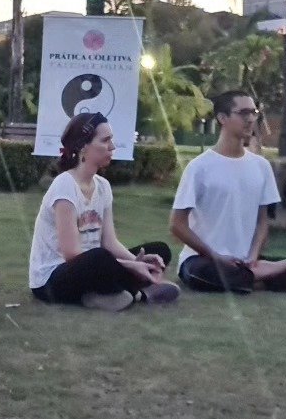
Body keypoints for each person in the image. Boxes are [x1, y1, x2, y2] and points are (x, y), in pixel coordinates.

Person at [170, 90, 286, 293]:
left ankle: (252, 276)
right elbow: (177, 225)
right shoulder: (199, 167)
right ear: (222, 118)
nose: (251, 119)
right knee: (205, 274)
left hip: (245, 260)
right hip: (204, 259)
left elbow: (262, 221)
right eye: (243, 113)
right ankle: (267, 274)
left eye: (254, 112)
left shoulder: (261, 166)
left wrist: (253, 256)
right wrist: (215, 256)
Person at [28, 112, 180, 311]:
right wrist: (129, 266)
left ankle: (104, 294)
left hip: (96, 266)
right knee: (99, 258)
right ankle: (136, 292)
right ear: (84, 146)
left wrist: (137, 261)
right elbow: (72, 254)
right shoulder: (64, 186)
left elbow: (110, 241)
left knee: (159, 250)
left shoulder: (103, 186)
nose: (112, 147)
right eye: (105, 140)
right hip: (53, 279)